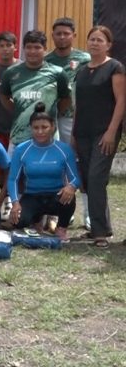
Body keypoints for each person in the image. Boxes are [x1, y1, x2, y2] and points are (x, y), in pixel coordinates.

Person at [72, 25, 126, 248]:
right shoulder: (82, 70)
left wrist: (112, 132)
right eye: (92, 39)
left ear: (108, 45)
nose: (95, 43)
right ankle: (99, 227)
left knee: (96, 178)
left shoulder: (115, 67)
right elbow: (78, 105)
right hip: (82, 132)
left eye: (100, 40)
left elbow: (121, 101)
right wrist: (74, 133)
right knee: (86, 180)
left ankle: (101, 234)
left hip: (104, 133)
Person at [7, 103, 80, 243]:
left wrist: (71, 186)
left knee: (69, 198)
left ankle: (61, 228)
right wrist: (15, 203)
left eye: (44, 127)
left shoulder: (64, 149)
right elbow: (12, 179)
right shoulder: (22, 150)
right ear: (31, 129)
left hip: (56, 196)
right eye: (36, 128)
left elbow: (76, 178)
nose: (40, 131)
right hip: (32, 196)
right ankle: (36, 222)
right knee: (18, 222)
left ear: (53, 127)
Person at [0, 30, 71, 152]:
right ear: (23, 49)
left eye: (37, 47)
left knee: (48, 171)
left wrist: (52, 112)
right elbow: (4, 96)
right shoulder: (11, 73)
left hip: (49, 140)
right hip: (19, 138)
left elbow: (66, 99)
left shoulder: (57, 73)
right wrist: (20, 109)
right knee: (15, 170)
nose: (32, 51)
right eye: (29, 47)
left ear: (45, 48)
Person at [44, 17, 90, 143]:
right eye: (58, 34)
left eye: (66, 33)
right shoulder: (45, 61)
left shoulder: (85, 59)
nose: (62, 37)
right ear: (52, 36)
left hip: (73, 116)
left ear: (74, 35)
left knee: (73, 153)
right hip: (49, 115)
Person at [0, 32, 18, 150]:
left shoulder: (23, 68)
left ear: (15, 47)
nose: (5, 49)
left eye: (8, 45)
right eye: (1, 46)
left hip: (18, 126)